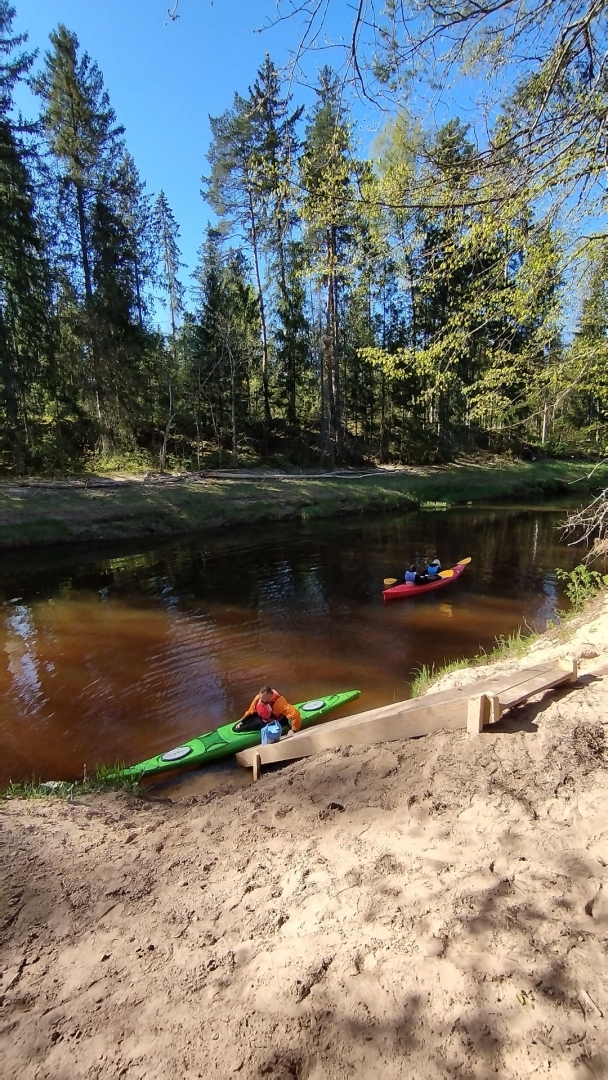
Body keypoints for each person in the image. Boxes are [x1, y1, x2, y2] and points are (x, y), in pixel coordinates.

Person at [234, 685, 302, 734]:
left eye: (264, 700)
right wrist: (242, 721)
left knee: (256, 723)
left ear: (270, 696)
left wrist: (294, 730)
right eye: (261, 699)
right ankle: (241, 726)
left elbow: (295, 714)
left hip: (275, 721)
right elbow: (250, 711)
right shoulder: (258, 698)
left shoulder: (279, 703)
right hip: (263, 718)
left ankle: (242, 728)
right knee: (246, 721)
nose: (261, 701)